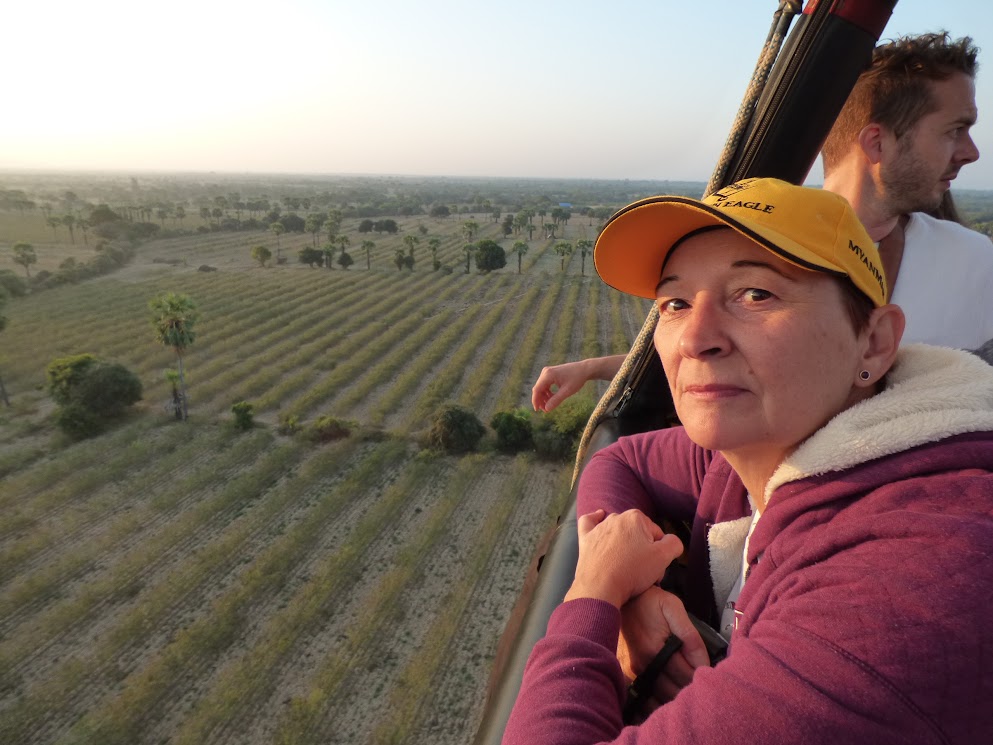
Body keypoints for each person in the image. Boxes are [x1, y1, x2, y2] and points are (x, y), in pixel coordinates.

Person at [503, 177, 993, 744]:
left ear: (875, 344)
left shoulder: (902, 597)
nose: (696, 338)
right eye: (675, 303)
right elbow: (623, 461)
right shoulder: (760, 449)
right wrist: (640, 592)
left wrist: (594, 594)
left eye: (756, 294)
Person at [531, 32, 993, 414]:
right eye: (955, 129)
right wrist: (596, 368)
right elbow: (724, 356)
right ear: (877, 142)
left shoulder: (975, 266)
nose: (971, 151)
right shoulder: (755, 239)